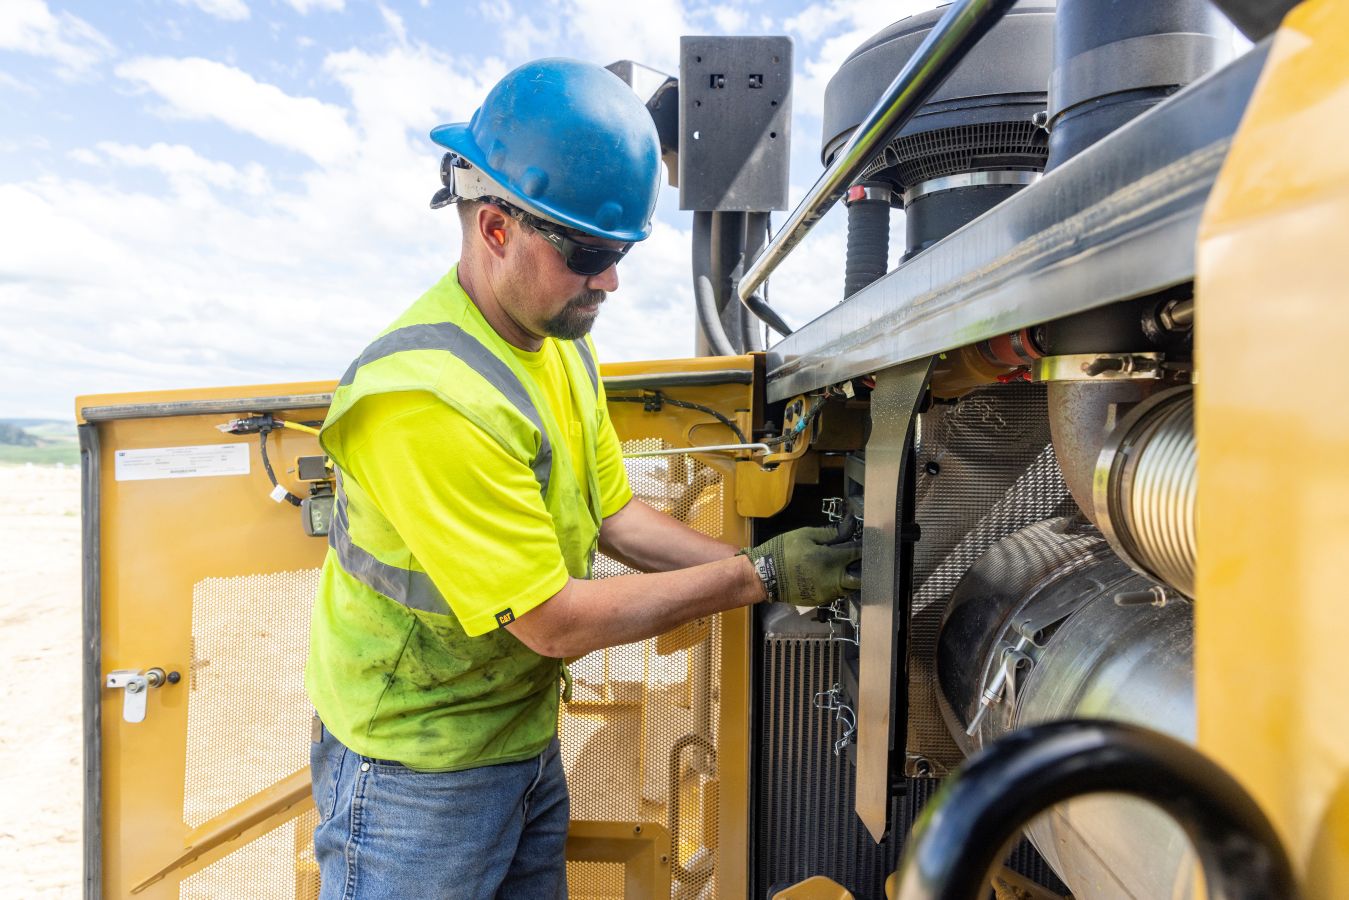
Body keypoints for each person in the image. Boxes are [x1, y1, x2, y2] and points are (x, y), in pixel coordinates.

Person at [306, 57, 860, 900]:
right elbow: (554, 623)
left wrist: (768, 564)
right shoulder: (425, 399)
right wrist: (759, 578)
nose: (609, 280)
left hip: (517, 734)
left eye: (621, 251)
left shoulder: (558, 343)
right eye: (590, 253)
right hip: (415, 765)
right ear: (497, 229)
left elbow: (615, 517)